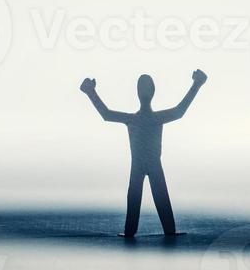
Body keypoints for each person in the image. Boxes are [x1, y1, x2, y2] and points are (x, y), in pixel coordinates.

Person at [80, 69, 208, 237]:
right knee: (155, 195)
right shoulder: (153, 118)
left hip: (141, 164)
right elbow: (179, 111)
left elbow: (106, 114)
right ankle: (163, 230)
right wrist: (197, 84)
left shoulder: (132, 119)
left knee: (138, 196)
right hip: (151, 163)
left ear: (138, 93)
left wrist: (90, 92)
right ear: (152, 92)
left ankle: (132, 231)